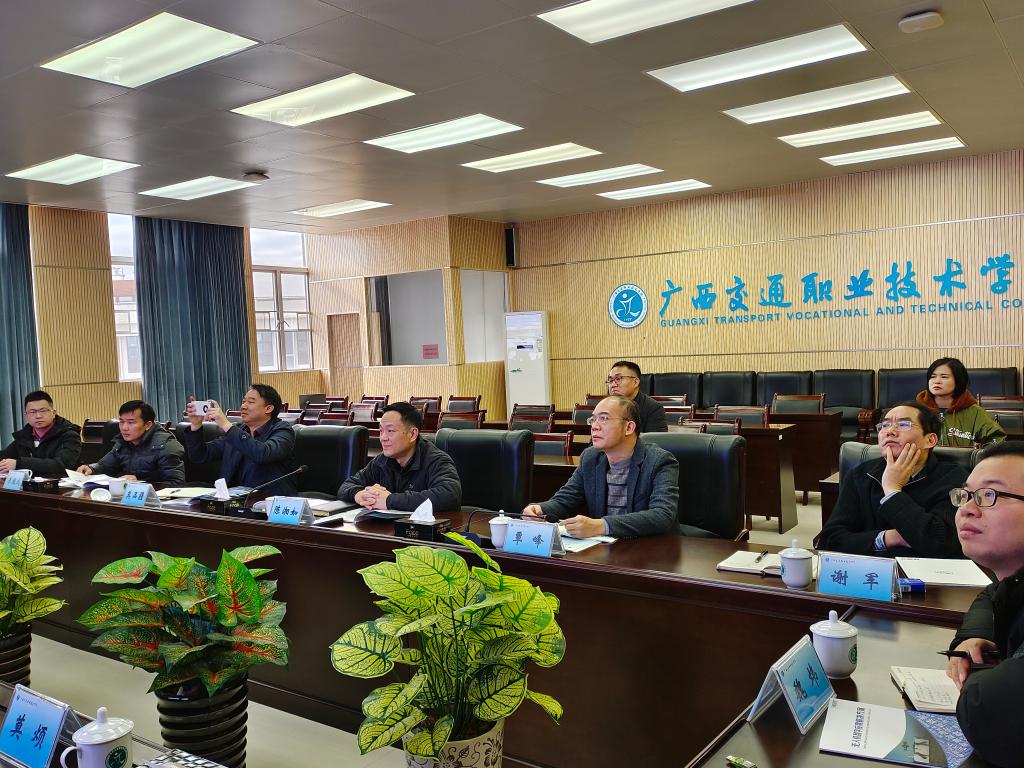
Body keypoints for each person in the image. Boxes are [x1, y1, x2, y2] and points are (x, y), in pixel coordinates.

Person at [945, 441, 1024, 768]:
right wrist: (973, 638)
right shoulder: (1014, 580)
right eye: (966, 495)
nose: (967, 509)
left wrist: (978, 670)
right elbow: (991, 594)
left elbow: (987, 710)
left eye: (989, 495)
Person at [818, 401, 968, 558]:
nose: (890, 431)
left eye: (903, 425)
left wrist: (892, 490)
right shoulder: (860, 475)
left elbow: (940, 542)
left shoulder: (955, 479)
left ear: (930, 440)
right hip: (870, 569)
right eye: (884, 425)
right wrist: (889, 538)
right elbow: (830, 540)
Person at [524, 395, 678, 538]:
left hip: (650, 547)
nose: (594, 427)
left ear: (629, 427)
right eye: (593, 420)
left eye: (604, 418)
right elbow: (566, 499)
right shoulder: (590, 457)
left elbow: (662, 515)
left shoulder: (659, 461)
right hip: (606, 547)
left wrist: (601, 526)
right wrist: (540, 509)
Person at [338, 402, 461, 511]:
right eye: (381, 431)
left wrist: (389, 500)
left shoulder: (437, 460)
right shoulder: (381, 461)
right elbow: (346, 486)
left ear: (412, 434)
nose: (383, 438)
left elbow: (449, 496)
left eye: (390, 431)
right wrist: (359, 494)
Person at [182, 384, 297, 495]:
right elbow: (200, 456)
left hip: (269, 500)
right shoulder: (239, 430)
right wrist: (196, 426)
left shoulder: (283, 430)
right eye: (243, 401)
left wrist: (225, 424)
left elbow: (263, 454)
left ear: (268, 408)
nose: (243, 406)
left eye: (251, 402)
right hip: (234, 500)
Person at [76, 400, 185, 486]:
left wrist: (140, 482)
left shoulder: (165, 445)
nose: (124, 427)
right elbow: (105, 465)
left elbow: (176, 483)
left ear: (148, 425)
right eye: (121, 422)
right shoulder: (122, 443)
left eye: (131, 422)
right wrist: (91, 468)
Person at [916, 357, 1005, 447]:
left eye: (944, 377)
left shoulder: (975, 412)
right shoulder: (916, 410)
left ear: (958, 381)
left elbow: (996, 439)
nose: (937, 381)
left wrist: (981, 454)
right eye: (933, 377)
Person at [0, 390, 81, 477]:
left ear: (53, 413)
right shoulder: (24, 436)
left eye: (43, 411)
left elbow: (62, 465)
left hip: (60, 484)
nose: (38, 416)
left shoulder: (69, 435)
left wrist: (19, 463)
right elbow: (4, 456)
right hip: (29, 484)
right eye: (32, 412)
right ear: (26, 415)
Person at [605, 361, 667, 433]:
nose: (613, 385)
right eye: (610, 380)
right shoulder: (605, 407)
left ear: (635, 382)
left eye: (618, 379)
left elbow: (654, 439)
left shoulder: (653, 409)